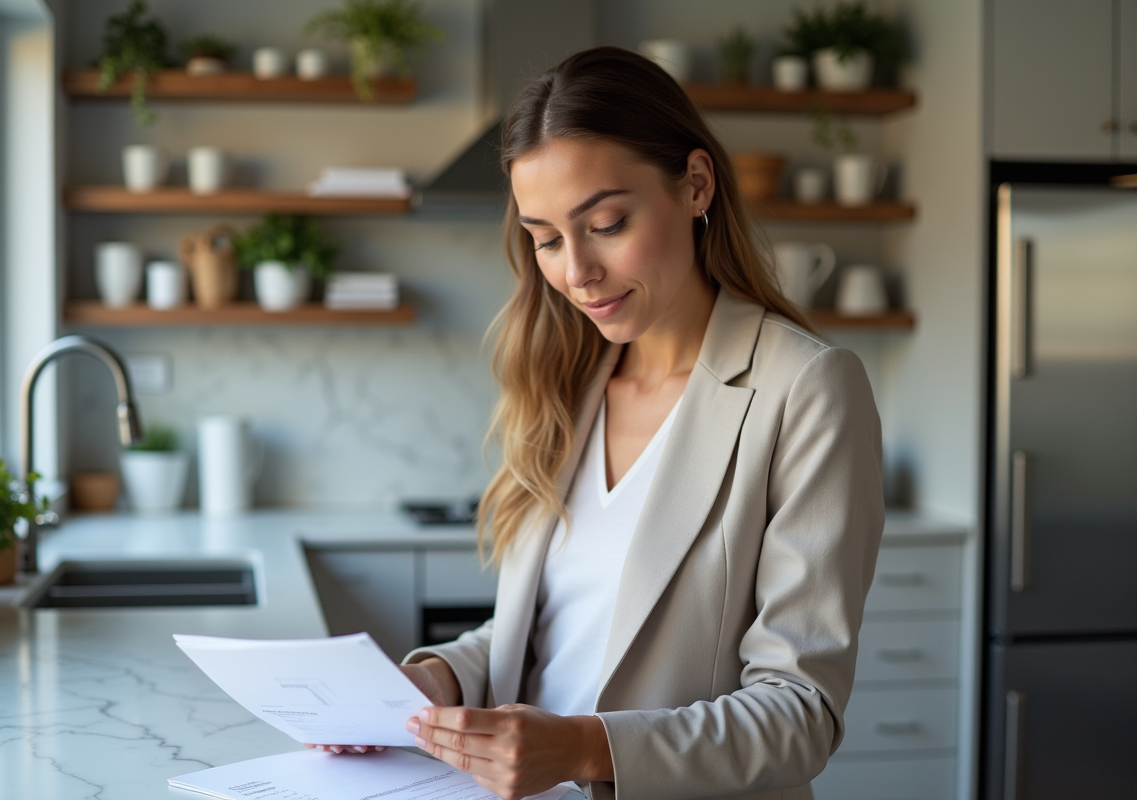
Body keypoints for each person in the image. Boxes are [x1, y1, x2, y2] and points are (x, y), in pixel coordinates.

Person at [312, 46, 884, 800]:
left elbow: (799, 712)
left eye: (606, 223)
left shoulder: (805, 388)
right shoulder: (565, 380)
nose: (575, 271)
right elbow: (553, 635)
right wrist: (436, 681)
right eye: (546, 238)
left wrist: (583, 748)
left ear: (696, 186)